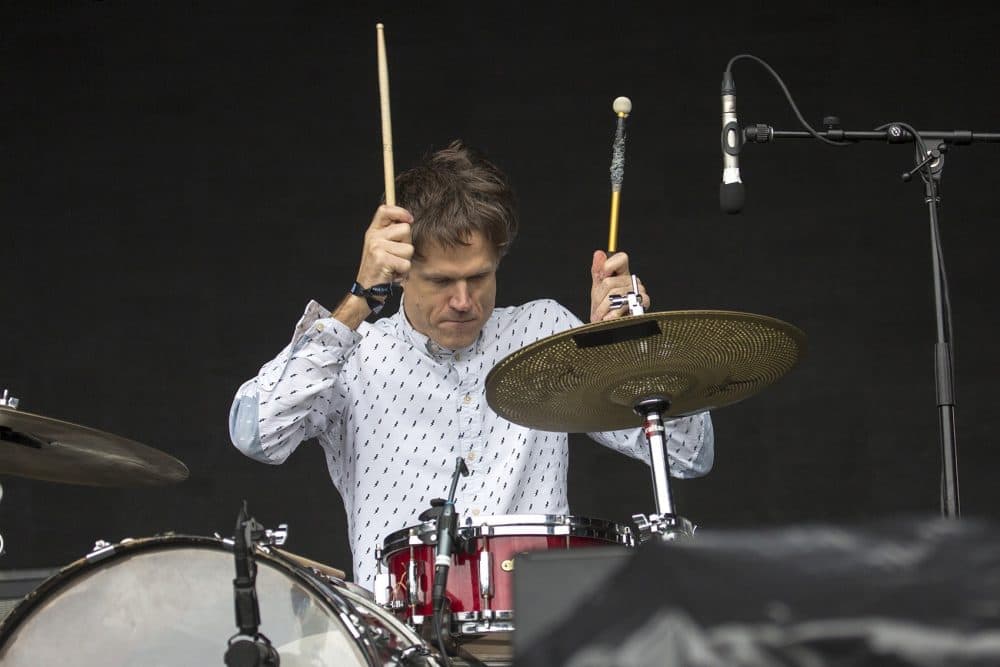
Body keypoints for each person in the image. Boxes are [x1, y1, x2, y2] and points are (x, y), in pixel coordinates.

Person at [229, 140, 714, 588]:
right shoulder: (354, 355)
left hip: (538, 627)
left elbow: (688, 456)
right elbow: (256, 435)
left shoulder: (542, 332)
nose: (463, 301)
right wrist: (358, 300)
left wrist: (629, 345)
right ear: (399, 272)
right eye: (441, 281)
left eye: (479, 277)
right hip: (402, 642)